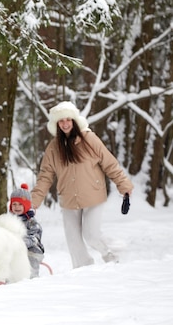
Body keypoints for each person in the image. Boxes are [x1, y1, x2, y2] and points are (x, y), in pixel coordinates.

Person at [31, 101, 134, 268]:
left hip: (93, 194)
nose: (65, 124)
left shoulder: (89, 139)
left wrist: (123, 184)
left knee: (91, 234)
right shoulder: (53, 147)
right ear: (56, 124)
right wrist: (34, 202)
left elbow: (109, 163)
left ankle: (112, 254)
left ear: (74, 121)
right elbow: (45, 176)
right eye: (61, 121)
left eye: (68, 120)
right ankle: (82, 269)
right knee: (73, 240)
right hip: (68, 198)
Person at [9, 183, 44, 278]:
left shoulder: (31, 222)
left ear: (27, 205)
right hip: (15, 250)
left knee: (30, 260)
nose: (17, 207)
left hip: (32, 250)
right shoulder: (9, 220)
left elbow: (35, 237)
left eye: (20, 204)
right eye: (14, 204)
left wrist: (22, 242)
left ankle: (32, 277)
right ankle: (4, 278)